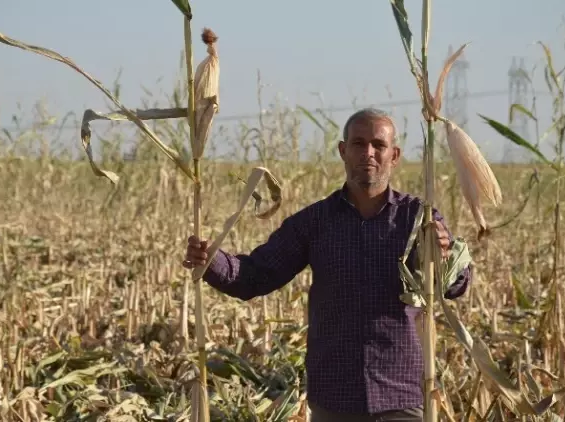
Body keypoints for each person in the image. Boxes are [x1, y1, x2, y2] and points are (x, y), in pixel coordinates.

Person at [182, 108, 472, 422]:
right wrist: (212, 259)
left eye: (379, 145)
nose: (369, 153)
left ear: (395, 155)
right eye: (359, 144)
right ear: (343, 151)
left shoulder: (419, 218)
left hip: (401, 394)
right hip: (335, 396)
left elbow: (457, 285)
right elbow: (255, 275)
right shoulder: (314, 222)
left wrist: (442, 259)